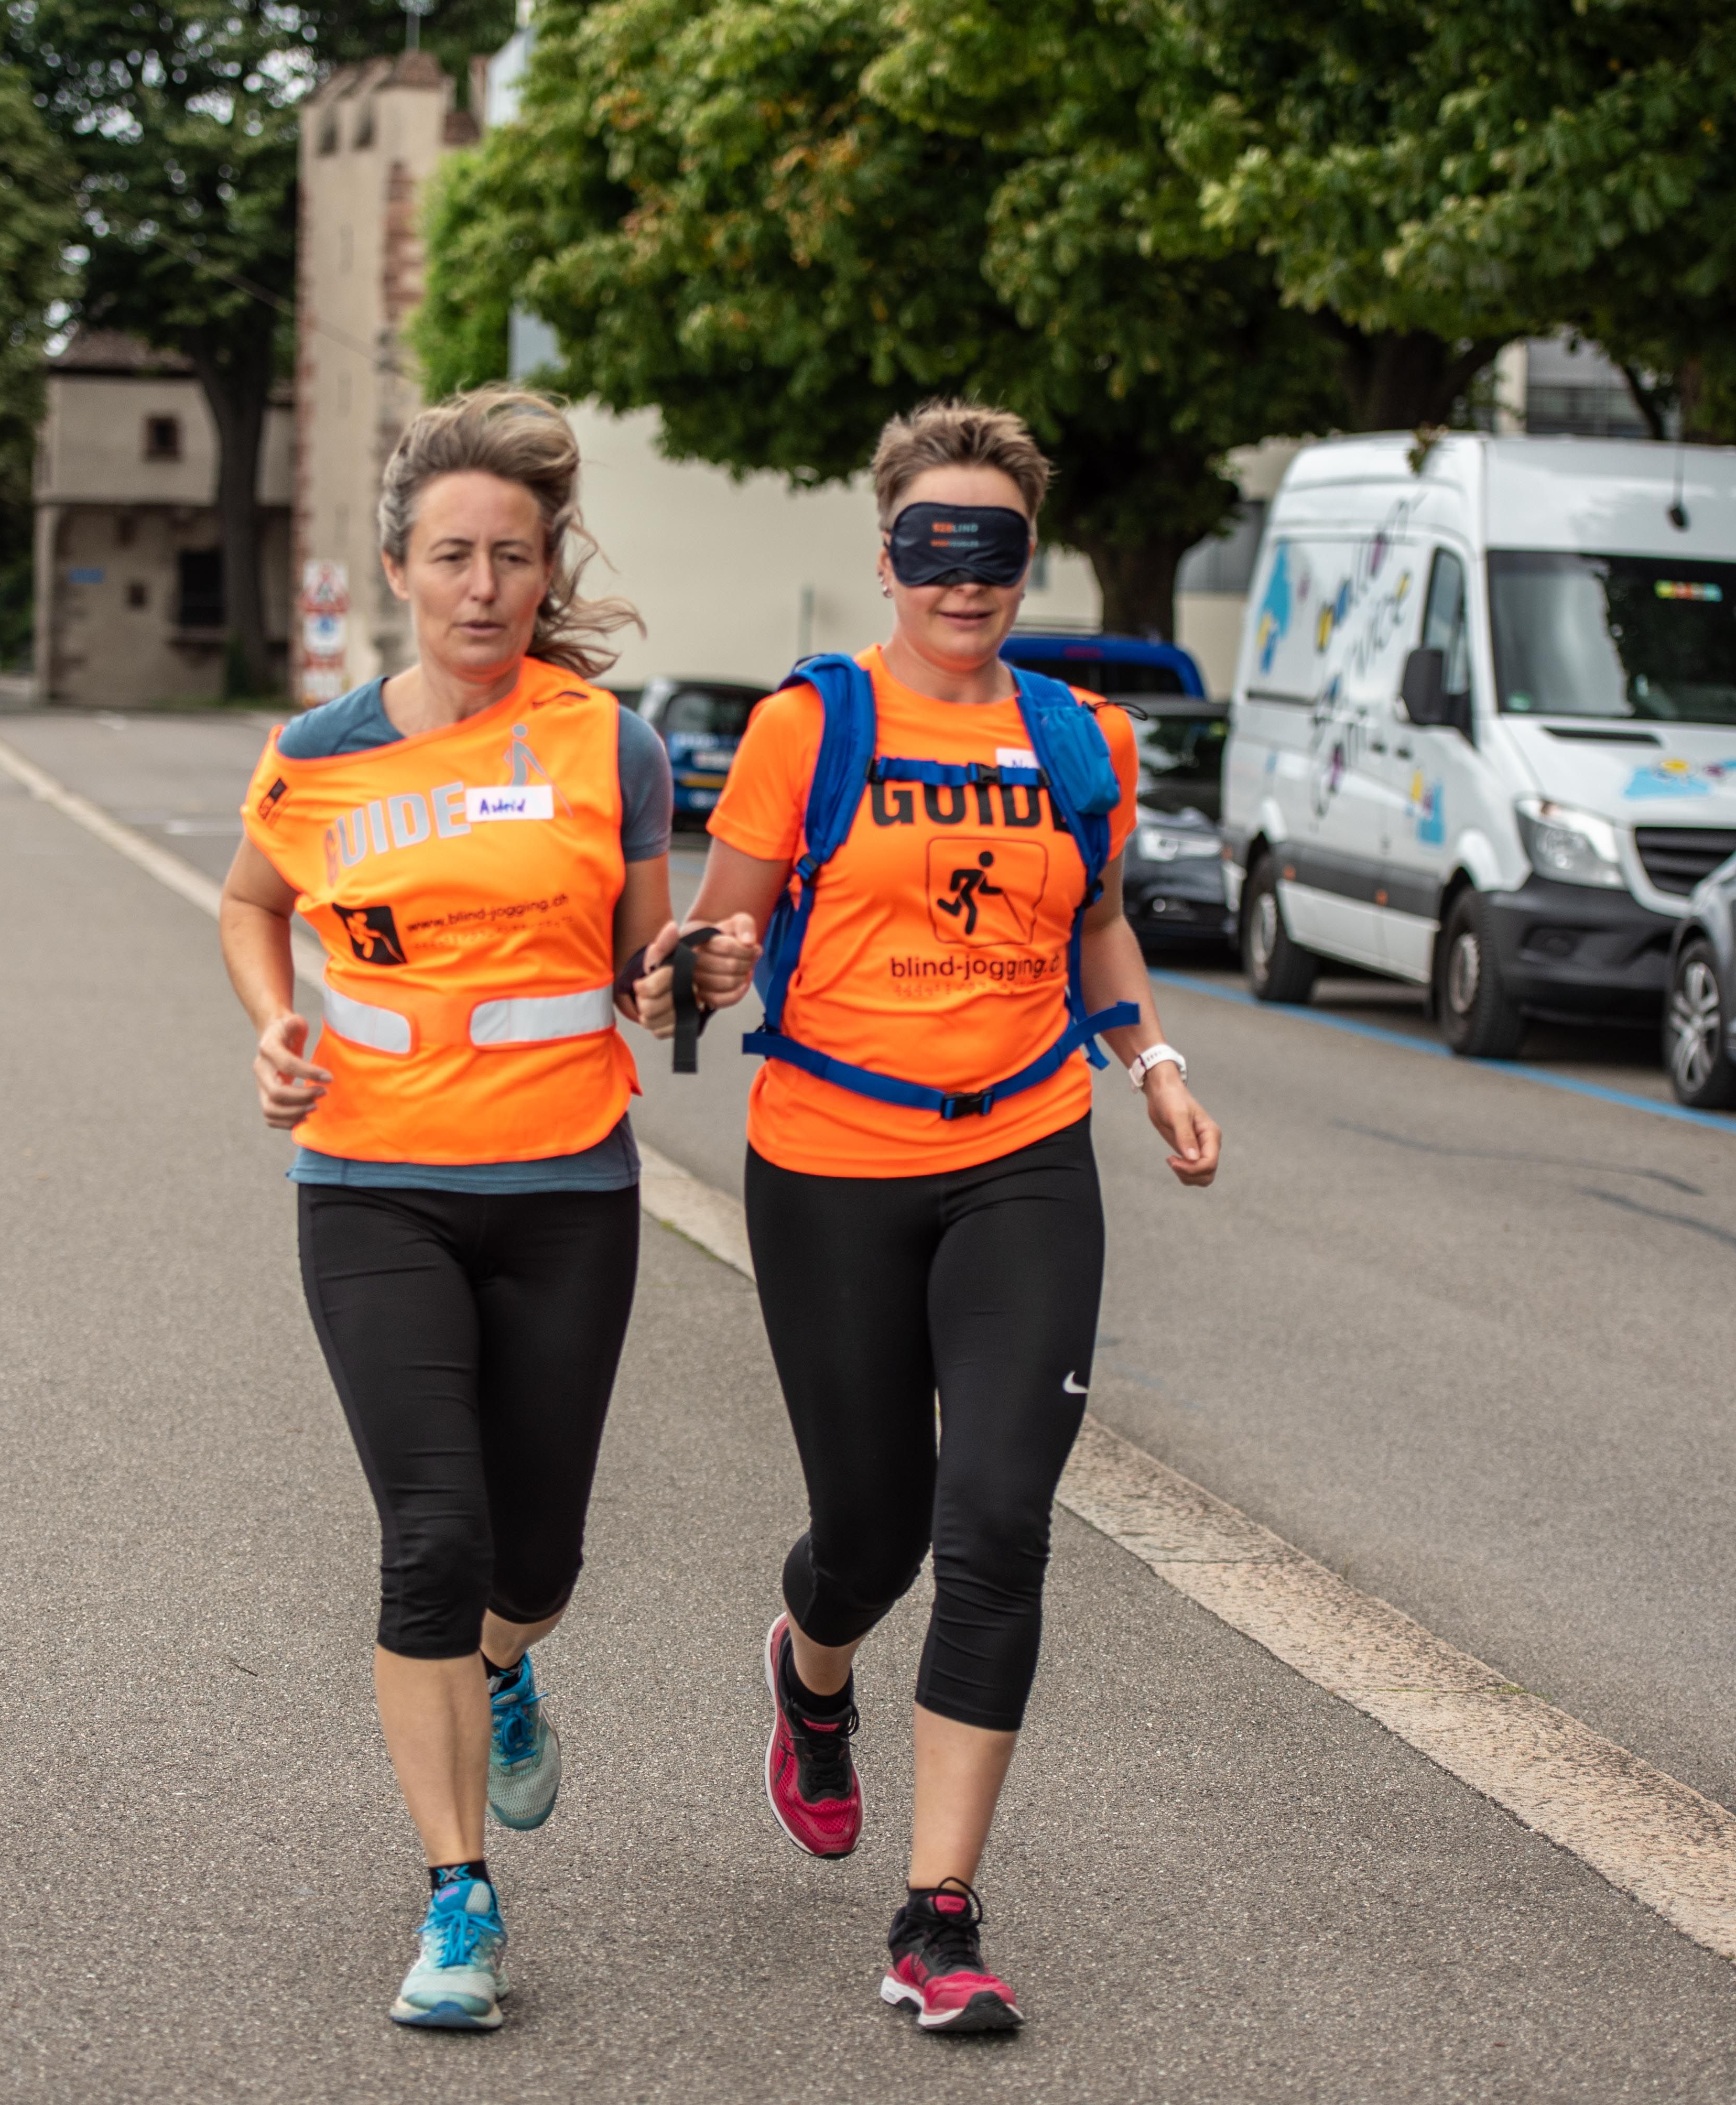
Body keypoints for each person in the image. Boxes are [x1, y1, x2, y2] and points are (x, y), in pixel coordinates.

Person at [640, 399, 1222, 2035]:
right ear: (886, 554)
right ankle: (808, 1664)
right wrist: (709, 964)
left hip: (1021, 1151)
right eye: (930, 547)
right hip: (827, 1159)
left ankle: (937, 1912)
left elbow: (1095, 928)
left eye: (994, 550)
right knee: (875, 1533)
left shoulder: (1078, 741)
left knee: (998, 1522)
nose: (961, 580)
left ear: (1027, 558)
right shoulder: (808, 725)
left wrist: (1154, 1062)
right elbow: (713, 932)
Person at [218, 387, 679, 2033]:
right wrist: (274, 1021)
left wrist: (695, 974)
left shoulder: (610, 747)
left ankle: (507, 1662)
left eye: (514, 556)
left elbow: (647, 975)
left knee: (532, 1556)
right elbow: (250, 903)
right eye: (452, 556)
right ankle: (457, 1900)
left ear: (547, 570)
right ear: (401, 566)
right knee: (431, 1541)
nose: (483, 584)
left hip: (567, 1185)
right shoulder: (323, 756)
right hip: (371, 1184)